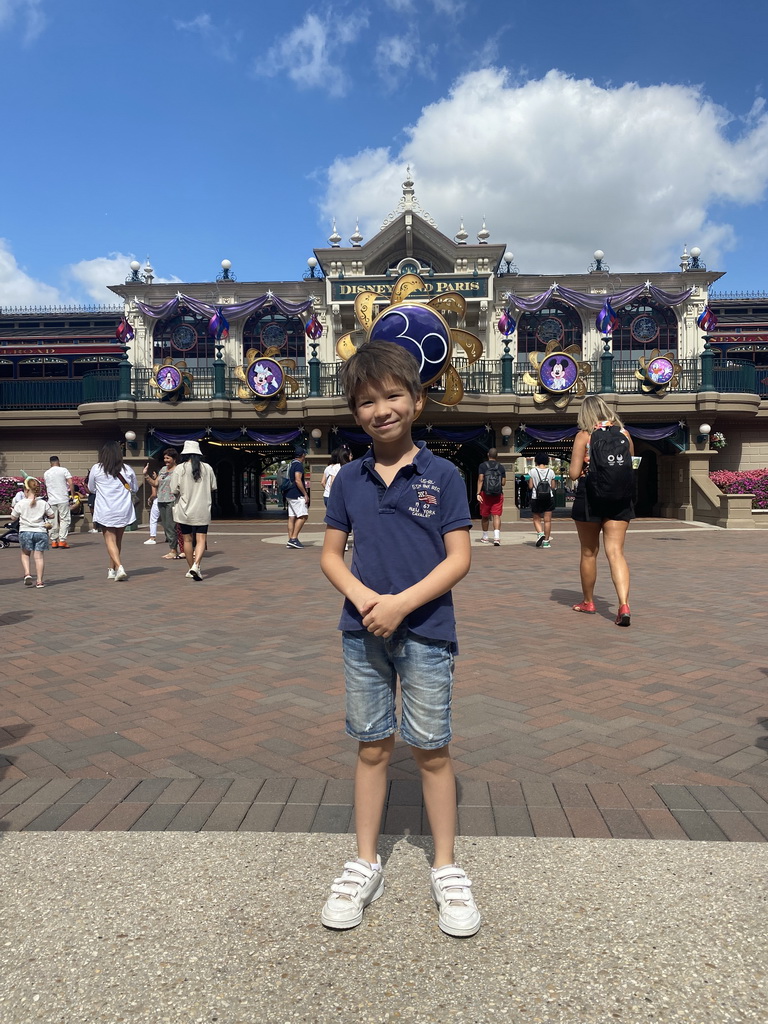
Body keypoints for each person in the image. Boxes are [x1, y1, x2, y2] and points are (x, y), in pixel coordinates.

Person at [320, 340, 480, 938]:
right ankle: (365, 862)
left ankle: (445, 866)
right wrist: (367, 603)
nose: (380, 409)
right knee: (371, 745)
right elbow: (332, 556)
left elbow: (458, 558)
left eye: (392, 396)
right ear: (355, 412)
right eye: (366, 401)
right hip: (362, 633)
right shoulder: (348, 480)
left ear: (416, 400)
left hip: (427, 632)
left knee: (432, 749)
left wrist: (401, 605)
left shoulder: (443, 475)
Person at [568, 395, 634, 626]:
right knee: (616, 552)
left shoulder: (584, 436)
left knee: (589, 552)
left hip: (590, 496)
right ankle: (623, 605)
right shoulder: (624, 434)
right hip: (619, 497)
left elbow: (574, 474)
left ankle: (588, 601)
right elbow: (631, 466)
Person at [87, 441, 138, 581]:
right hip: (123, 508)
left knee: (110, 540)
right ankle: (111, 569)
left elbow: (91, 488)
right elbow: (134, 488)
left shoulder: (96, 469)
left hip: (105, 509)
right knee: (117, 541)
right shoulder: (127, 469)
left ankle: (120, 567)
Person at [170, 439, 217, 581]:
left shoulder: (180, 468)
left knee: (187, 539)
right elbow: (213, 486)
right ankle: (196, 565)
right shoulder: (207, 468)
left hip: (185, 509)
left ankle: (192, 568)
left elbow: (173, 490)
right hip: (202, 509)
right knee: (201, 538)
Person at [10, 477, 53, 588]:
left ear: (26, 490)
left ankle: (27, 573)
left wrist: (13, 511)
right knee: (39, 557)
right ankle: (39, 581)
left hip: (25, 531)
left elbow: (13, 518)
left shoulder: (21, 503)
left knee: (25, 554)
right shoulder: (43, 503)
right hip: (40, 531)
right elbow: (51, 515)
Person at [151, 448, 182, 558]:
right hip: (161, 500)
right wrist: (146, 475)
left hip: (172, 500)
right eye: (164, 458)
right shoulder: (163, 469)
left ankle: (174, 550)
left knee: (171, 526)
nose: (165, 460)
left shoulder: (179, 469)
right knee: (166, 526)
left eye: (168, 458)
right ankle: (173, 549)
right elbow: (155, 483)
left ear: (174, 459)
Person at [43, 456, 75, 548]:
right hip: (63, 499)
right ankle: (62, 540)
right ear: (58, 462)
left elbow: (46, 487)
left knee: (52, 520)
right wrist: (72, 495)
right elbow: (71, 483)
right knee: (65, 519)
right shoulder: (63, 470)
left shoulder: (46, 473)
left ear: (50, 463)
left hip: (52, 500)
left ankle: (53, 540)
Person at [476, 448, 506, 545]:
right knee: (496, 515)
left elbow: (481, 479)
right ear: (497, 456)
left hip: (485, 494)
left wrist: (478, 493)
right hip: (498, 494)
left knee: (485, 516)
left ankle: (485, 537)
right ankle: (496, 537)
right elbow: (503, 482)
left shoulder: (483, 466)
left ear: (488, 454)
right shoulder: (501, 467)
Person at [529, 454, 556, 548]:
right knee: (547, 521)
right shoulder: (551, 471)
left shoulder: (532, 471)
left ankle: (540, 533)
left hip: (536, 497)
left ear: (536, 461)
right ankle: (546, 542)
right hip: (549, 497)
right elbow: (553, 486)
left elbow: (530, 486)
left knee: (536, 518)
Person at [285, 449, 309, 549]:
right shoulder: (298, 465)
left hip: (288, 493)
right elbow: (298, 480)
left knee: (292, 517)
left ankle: (290, 539)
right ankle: (294, 539)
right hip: (296, 494)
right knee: (303, 516)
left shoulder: (291, 464)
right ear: (302, 455)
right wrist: (305, 494)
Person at [142, 457, 161, 545]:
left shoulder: (154, 482)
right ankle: (170, 537)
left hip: (157, 501)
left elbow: (154, 494)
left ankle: (152, 537)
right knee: (167, 520)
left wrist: (149, 499)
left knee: (153, 519)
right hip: (167, 500)